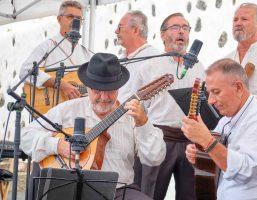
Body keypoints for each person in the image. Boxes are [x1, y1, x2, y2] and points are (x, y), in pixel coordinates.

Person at [20, 53, 166, 200]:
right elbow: (24, 136)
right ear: (87, 88)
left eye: (110, 91)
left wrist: (143, 123)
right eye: (97, 91)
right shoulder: (67, 110)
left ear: (119, 89)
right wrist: (57, 145)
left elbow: (154, 158)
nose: (104, 97)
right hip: (70, 190)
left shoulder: (133, 117)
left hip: (119, 191)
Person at [182, 58, 257, 200]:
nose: (210, 100)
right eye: (209, 93)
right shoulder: (226, 120)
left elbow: (244, 172)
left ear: (238, 88)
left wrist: (207, 141)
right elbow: (219, 158)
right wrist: (200, 153)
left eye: (216, 92)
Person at [130, 13, 205, 200]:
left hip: (190, 140)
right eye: (175, 27)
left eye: (185, 28)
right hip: (159, 137)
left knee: (191, 195)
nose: (181, 31)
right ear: (162, 35)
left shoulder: (198, 66)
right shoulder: (149, 66)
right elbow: (137, 106)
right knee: (149, 193)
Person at [114, 10, 161, 198]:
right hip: (118, 133)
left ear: (135, 30)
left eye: (120, 27)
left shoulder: (154, 58)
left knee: (141, 188)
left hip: (139, 135)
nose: (115, 31)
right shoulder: (125, 58)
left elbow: (156, 101)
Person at [19, 0, 92, 100]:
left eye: (78, 19)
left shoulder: (87, 54)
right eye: (70, 17)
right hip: (52, 111)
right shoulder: (48, 46)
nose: (75, 22)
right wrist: (62, 85)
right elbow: (25, 71)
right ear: (59, 19)